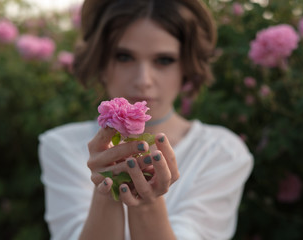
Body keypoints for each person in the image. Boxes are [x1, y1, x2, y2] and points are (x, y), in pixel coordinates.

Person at [38, 0, 253, 239]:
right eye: (124, 57)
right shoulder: (62, 145)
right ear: (99, 61)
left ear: (187, 66)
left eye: (164, 60)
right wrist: (108, 190)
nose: (143, 80)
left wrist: (148, 203)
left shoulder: (222, 152)